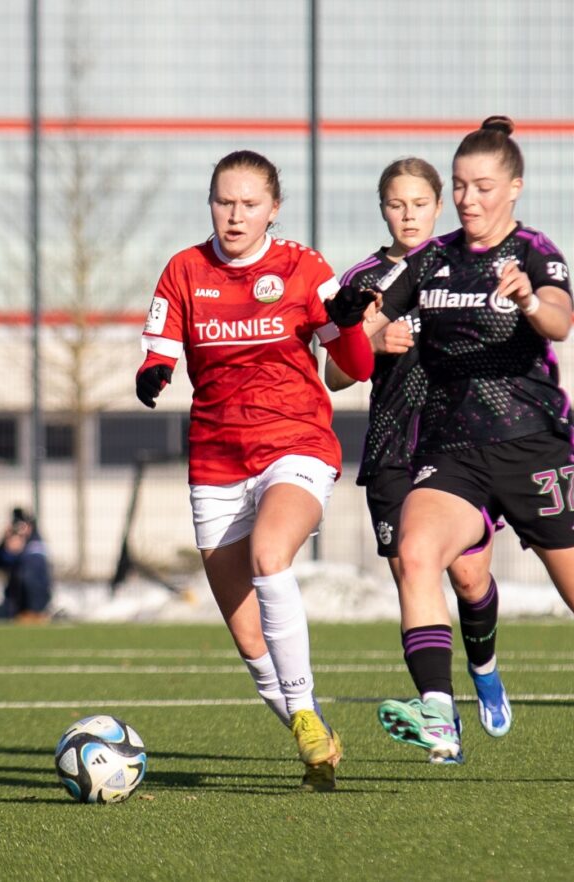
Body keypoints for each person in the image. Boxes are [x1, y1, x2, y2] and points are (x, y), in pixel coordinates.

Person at [346, 117, 574, 779]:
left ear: (514, 187)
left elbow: (561, 320)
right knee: (415, 552)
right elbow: (370, 321)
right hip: (453, 451)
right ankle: (436, 708)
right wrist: (364, 333)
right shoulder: (432, 258)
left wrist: (530, 302)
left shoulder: (534, 250)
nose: (467, 199)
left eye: (481, 186)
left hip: (534, 449)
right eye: (458, 186)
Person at [134, 149, 378, 792]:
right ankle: (314, 734)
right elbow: (159, 344)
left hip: (295, 444)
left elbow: (355, 367)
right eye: (224, 201)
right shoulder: (185, 270)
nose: (235, 214)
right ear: (210, 203)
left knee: (272, 555)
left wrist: (350, 324)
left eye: (249, 203)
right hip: (215, 462)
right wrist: (154, 371)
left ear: (274, 208)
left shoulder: (304, 268)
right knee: (248, 638)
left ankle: (303, 714)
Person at [323, 157, 513, 756]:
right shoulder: (360, 282)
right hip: (391, 448)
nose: (408, 215)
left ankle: (482, 666)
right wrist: (373, 341)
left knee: (468, 574)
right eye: (396, 204)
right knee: (413, 570)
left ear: (439, 206)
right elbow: (331, 374)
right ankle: (442, 719)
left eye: (419, 204)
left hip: (460, 445)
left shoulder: (464, 265)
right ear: (383, 208)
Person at [0, 509, 53, 623]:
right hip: (13, 605)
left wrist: (34, 610)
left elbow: (32, 579)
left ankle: (35, 613)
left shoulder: (35, 546)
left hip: (31, 606)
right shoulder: (15, 543)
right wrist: (5, 547)